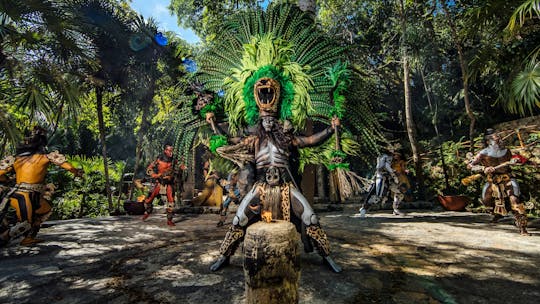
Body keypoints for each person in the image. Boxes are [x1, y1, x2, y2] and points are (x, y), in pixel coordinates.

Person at [209, 113, 343, 273]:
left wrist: (330, 129)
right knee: (239, 219)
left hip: (285, 185)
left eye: (272, 119)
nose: (268, 122)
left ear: (277, 121)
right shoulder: (253, 140)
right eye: (265, 119)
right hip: (260, 186)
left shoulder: (287, 139)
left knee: (310, 217)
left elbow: (310, 141)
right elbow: (228, 141)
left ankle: (326, 256)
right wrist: (214, 124)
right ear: (260, 121)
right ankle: (224, 256)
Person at [0, 126, 82, 246]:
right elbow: (64, 164)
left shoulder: (18, 160)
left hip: (33, 195)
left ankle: (28, 238)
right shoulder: (43, 157)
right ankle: (4, 237)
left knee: (45, 210)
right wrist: (76, 171)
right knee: (25, 223)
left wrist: (7, 179)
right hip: (22, 195)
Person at [467, 128, 530, 236]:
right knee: (486, 201)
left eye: (499, 137)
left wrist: (517, 160)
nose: (499, 139)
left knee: (515, 201)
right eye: (496, 137)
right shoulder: (482, 153)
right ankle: (497, 213)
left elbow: (518, 159)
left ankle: (522, 228)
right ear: (488, 141)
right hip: (493, 182)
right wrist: (483, 169)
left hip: (508, 179)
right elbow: (470, 166)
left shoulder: (506, 151)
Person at [141, 144, 180, 226]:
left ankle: (169, 220)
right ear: (165, 151)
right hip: (159, 182)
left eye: (172, 150)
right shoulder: (158, 159)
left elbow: (179, 167)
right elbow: (149, 169)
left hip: (169, 183)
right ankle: (147, 212)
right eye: (169, 150)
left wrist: (179, 170)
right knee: (149, 198)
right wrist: (154, 175)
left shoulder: (174, 160)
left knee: (171, 201)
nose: (171, 152)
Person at [359, 151, 404, 217]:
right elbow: (386, 166)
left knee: (399, 192)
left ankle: (395, 209)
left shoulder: (384, 157)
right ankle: (364, 209)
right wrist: (393, 175)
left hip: (387, 179)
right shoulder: (386, 157)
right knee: (377, 197)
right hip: (382, 178)